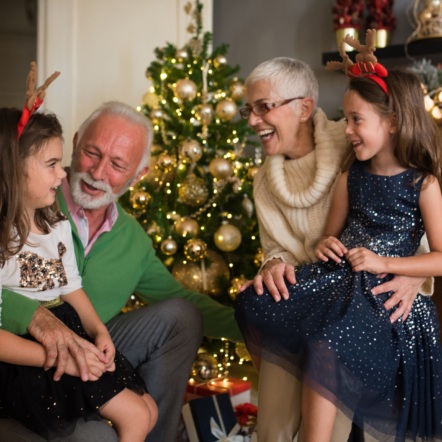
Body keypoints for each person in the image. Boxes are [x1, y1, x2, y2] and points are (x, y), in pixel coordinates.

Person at [0, 101, 242, 442]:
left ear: (138, 175)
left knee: (182, 317)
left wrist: (256, 330)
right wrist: (33, 318)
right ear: (76, 141)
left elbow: (182, 300)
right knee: (102, 434)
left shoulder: (130, 240)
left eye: (117, 164)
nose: (98, 173)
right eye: (91, 153)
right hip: (25, 351)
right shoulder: (28, 202)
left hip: (85, 340)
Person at [236, 42, 442, 442]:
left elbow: (427, 246)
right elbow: (293, 245)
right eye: (249, 109)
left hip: (372, 292)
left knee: (329, 343)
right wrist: (274, 264)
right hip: (324, 283)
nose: (253, 120)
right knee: (260, 306)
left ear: (303, 106)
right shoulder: (288, 180)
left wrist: (402, 271)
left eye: (264, 106)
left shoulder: (358, 149)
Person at [0, 106, 158, 441]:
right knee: (134, 416)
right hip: (28, 355)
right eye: (51, 164)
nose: (62, 174)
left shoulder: (55, 223)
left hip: (69, 332)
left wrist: (98, 331)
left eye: (60, 162)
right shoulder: (4, 240)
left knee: (149, 409)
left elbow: (70, 285)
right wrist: (60, 357)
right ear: (13, 169)